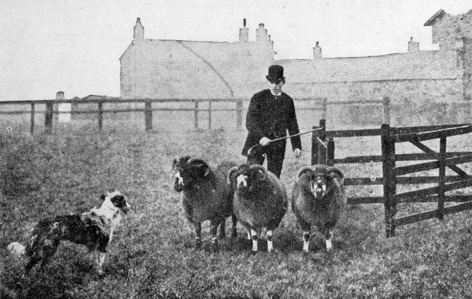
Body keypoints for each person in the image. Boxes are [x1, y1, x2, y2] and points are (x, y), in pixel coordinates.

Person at [242, 65, 302, 178]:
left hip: (277, 146)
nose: (274, 86)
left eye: (277, 83)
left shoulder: (288, 101)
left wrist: (297, 146)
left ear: (283, 82)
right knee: (251, 175)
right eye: (271, 83)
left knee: (274, 178)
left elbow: (292, 124)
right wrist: (261, 137)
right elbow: (250, 121)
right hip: (256, 143)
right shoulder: (258, 98)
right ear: (267, 82)